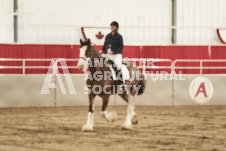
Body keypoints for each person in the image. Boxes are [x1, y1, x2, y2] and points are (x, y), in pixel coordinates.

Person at [99, 21, 126, 89]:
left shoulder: (119, 37)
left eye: (113, 26)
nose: (112, 27)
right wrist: (102, 50)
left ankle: (121, 83)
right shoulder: (107, 36)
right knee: (99, 62)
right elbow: (105, 45)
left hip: (116, 55)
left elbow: (121, 47)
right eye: (111, 26)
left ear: (116, 28)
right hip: (107, 54)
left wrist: (114, 52)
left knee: (118, 66)